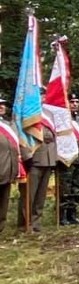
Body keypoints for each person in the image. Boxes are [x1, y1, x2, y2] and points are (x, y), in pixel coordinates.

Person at [17, 104, 57, 232]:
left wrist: (56, 158)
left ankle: (36, 221)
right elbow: (22, 137)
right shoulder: (28, 114)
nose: (43, 98)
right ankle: (25, 222)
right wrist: (26, 157)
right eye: (41, 95)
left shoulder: (49, 115)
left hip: (48, 160)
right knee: (29, 194)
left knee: (41, 195)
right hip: (33, 160)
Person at [57, 91, 79, 225]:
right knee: (65, 188)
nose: (74, 104)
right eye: (72, 102)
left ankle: (72, 214)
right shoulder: (61, 120)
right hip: (67, 159)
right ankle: (62, 215)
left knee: (76, 187)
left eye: (77, 102)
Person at [0, 97, 23, 233]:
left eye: (3, 104)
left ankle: (1, 228)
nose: (1, 107)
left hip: (7, 170)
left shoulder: (8, 125)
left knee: (4, 202)